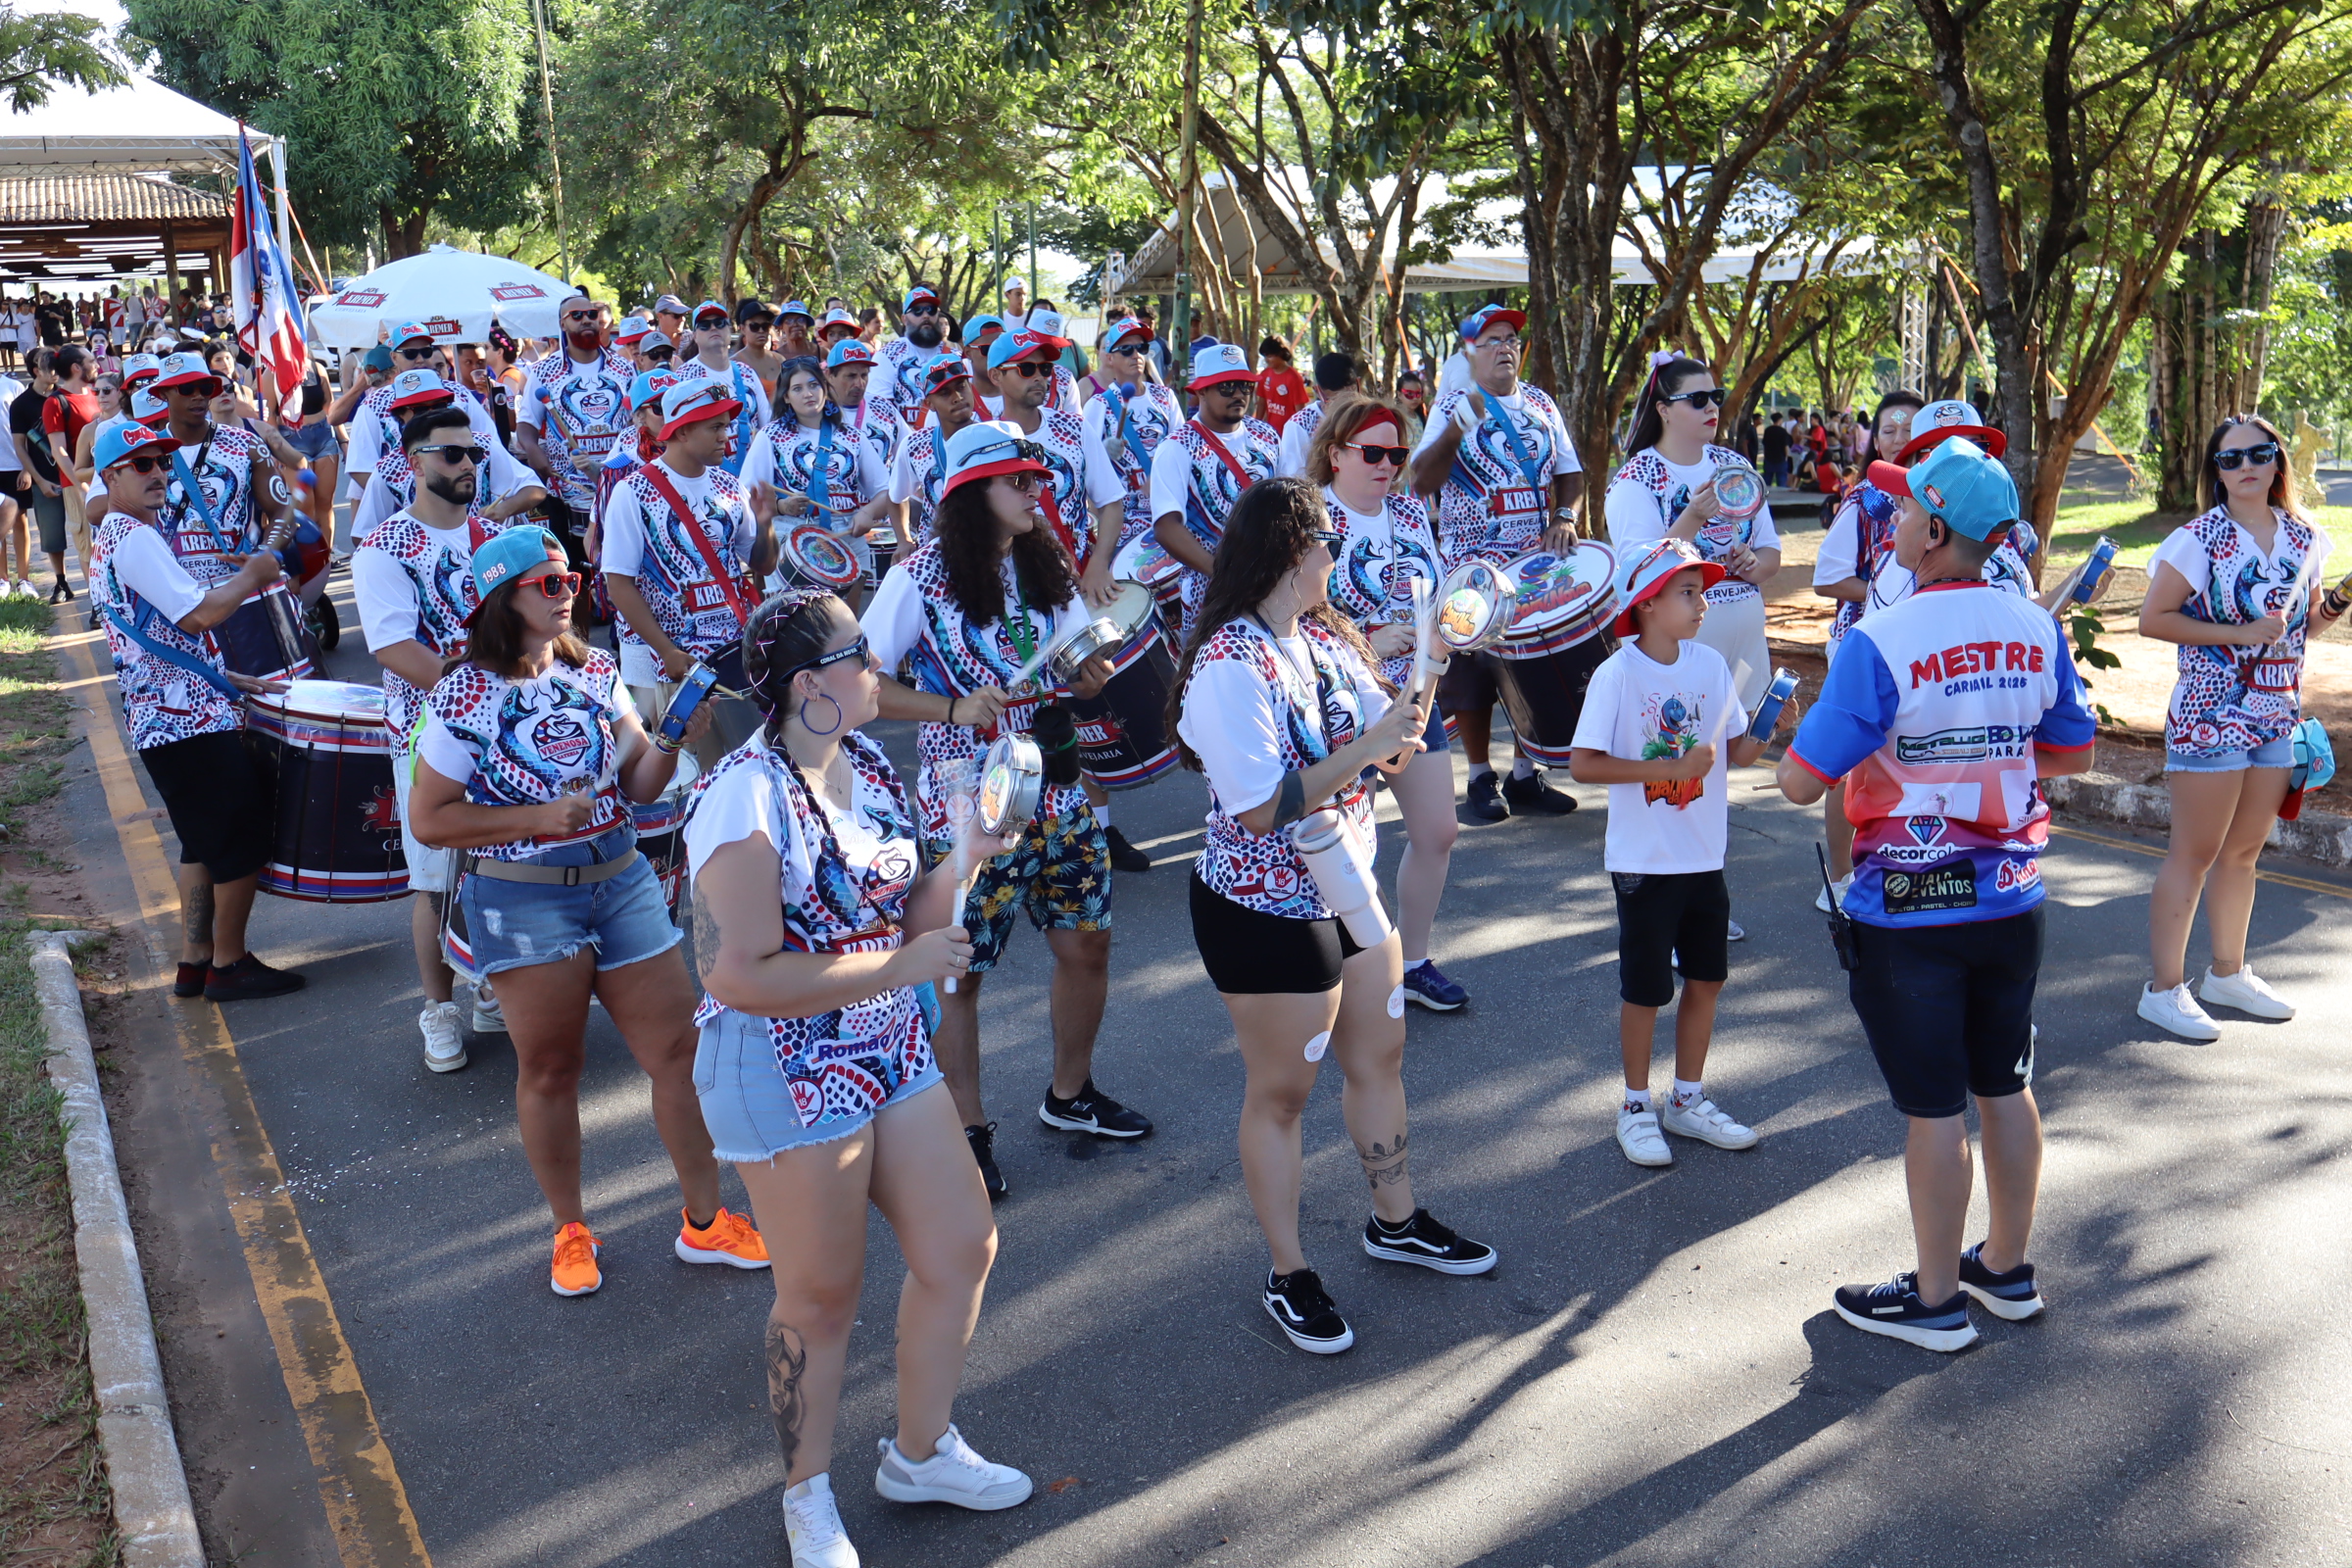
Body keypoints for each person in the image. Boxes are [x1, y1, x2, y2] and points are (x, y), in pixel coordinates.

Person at [687, 588, 1034, 1566]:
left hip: (881, 1043)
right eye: (863, 656)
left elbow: (915, 909)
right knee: (821, 1296)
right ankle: (806, 1497)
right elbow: (735, 973)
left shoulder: (868, 763)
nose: (880, 670)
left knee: (963, 1244)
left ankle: (920, 1452)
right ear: (810, 685)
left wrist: (970, 848)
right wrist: (898, 967)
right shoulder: (744, 796)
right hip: (784, 1062)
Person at [1774, 436, 2094, 1351]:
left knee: (1933, 1110)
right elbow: (2071, 752)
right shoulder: (2035, 625)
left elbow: (1801, 785)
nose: (1895, 520)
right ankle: (2007, 1270)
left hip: (1910, 911)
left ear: (1935, 531)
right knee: (2006, 1084)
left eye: (1906, 508)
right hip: (2011, 898)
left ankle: (1938, 1300)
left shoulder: (1881, 638)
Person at [1171, 475, 1494, 1355]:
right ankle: (1289, 1272)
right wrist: (1370, 745)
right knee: (1282, 1094)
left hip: (1347, 882)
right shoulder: (1228, 665)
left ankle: (1395, 1220)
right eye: (1328, 544)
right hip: (1265, 905)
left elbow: (1387, 740)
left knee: (1379, 1055)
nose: (1337, 558)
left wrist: (1413, 700)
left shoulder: (1320, 638)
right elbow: (1259, 809)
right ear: (1289, 551)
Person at [408, 527, 768, 1296]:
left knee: (678, 1053)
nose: (568, 590)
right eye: (547, 583)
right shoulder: (462, 695)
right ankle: (570, 1230)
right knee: (550, 1067)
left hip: (621, 881)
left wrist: (673, 738)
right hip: (523, 900)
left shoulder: (595, 669)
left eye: (569, 578)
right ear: (500, 600)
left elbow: (639, 785)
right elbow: (431, 820)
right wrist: (532, 821)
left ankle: (705, 1222)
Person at [865, 421, 1151, 1201]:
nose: (1037, 492)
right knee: (960, 976)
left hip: (1057, 785)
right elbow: (858, 684)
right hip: (967, 797)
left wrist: (1087, 675)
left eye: (1037, 480)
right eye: (1020, 482)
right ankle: (966, 1132)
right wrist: (951, 706)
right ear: (970, 493)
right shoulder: (916, 578)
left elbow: (1071, 662)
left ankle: (1070, 1096)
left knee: (1087, 945)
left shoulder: (1043, 560)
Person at [1570, 538, 1792, 1166]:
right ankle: (1635, 1105)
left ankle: (1687, 1099)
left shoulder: (1710, 665)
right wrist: (1667, 764)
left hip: (1704, 856)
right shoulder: (1618, 674)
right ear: (1646, 604)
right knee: (1644, 989)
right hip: (1645, 861)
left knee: (1708, 979)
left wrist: (1770, 725)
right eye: (1687, 592)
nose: (1702, 604)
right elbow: (1584, 766)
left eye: (1702, 591)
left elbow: (1737, 754)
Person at [2134, 414, 2344, 1041]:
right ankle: (2164, 990)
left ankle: (2227, 974)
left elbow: (2306, 625)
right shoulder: (2197, 539)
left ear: (2278, 461)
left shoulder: (2306, 538)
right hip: (2210, 713)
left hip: (2276, 712)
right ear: (2216, 471)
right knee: (2194, 854)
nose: (2247, 465)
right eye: (2231, 459)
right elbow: (2154, 619)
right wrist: (2240, 633)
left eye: (2259, 453)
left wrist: (2338, 602)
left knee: (2245, 852)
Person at [86, 423, 307, 1002]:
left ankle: (195, 962)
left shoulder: (124, 534)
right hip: (181, 721)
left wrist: (220, 675)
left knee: (201, 842)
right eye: (141, 465)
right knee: (240, 840)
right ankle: (230, 966)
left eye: (161, 461)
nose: (158, 472)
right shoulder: (133, 538)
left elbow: (153, 634)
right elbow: (201, 616)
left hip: (175, 711)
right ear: (109, 477)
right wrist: (254, 574)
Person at [352, 404, 517, 1068]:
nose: (467, 465)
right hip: (428, 736)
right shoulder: (385, 547)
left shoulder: (495, 539)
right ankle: (437, 1009)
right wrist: (477, 697)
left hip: (509, 732)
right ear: (412, 463)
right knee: (437, 880)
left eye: (474, 454)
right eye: (451, 454)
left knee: (504, 865)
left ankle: (489, 987)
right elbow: (396, 649)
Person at [1309, 394, 1466, 1009]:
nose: (1386, 465)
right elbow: (1284, 617)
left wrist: (1454, 629)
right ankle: (1354, 965)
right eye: (1371, 452)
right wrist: (1366, 640)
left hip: (1415, 694)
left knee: (1439, 830)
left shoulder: (1408, 512)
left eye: (1396, 454)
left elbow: (1438, 594)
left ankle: (1414, 959)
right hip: (1336, 706)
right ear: (1335, 454)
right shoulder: (1310, 517)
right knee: (1345, 842)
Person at [1408, 303, 1586, 821]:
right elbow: (1421, 481)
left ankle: (1527, 774)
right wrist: (1457, 429)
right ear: (1471, 352)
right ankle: (1480, 777)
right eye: (1492, 339)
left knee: (1532, 663)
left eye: (1511, 338)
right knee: (1474, 672)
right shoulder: (1450, 406)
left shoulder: (1542, 405)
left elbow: (1570, 472)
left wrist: (1564, 514)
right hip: (1472, 564)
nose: (1505, 346)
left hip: (1535, 561)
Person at [601, 378, 781, 766]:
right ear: (682, 430)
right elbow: (619, 584)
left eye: (727, 424)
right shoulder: (633, 492)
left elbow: (763, 564)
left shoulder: (729, 485)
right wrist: (667, 651)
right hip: (677, 666)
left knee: (749, 764)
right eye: (715, 426)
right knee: (699, 770)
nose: (727, 436)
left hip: (734, 655)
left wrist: (765, 522)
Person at [1602, 352, 1782, 711]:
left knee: (1735, 751)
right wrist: (1694, 515)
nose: (1711, 408)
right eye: (1698, 400)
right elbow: (1642, 574)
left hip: (1746, 642)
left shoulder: (1735, 467)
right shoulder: (1636, 480)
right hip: (1677, 652)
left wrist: (1751, 564)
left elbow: (1769, 552)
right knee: (1678, 751)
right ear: (1663, 410)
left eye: (1716, 397)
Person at [1151, 342, 1281, 636]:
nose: (1238, 394)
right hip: (1211, 596)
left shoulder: (1267, 436)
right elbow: (1166, 527)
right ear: (1201, 391)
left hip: (1274, 587)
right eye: (1226, 387)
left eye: (1245, 386)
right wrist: (1226, 576)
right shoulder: (1177, 447)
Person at [743, 354, 896, 596]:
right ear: (786, 397)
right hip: (791, 541)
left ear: (825, 388)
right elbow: (747, 494)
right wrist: (782, 506)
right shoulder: (770, 436)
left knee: (851, 629)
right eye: (798, 388)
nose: (808, 394)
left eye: (814, 385)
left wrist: (868, 512)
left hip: (848, 539)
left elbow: (886, 491)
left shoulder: (852, 436)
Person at [351, 370, 544, 542]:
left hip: (491, 564)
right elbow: (363, 535)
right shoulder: (389, 470)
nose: (432, 414)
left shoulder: (481, 446)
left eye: (439, 405)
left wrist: (503, 509)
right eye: (419, 409)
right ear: (401, 415)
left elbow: (534, 489)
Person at [517, 296, 634, 571]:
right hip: (567, 492)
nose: (587, 320)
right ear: (563, 323)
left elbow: (639, 423)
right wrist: (534, 453)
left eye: (591, 314)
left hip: (617, 489)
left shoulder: (625, 368)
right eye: (577, 315)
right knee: (575, 576)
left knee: (622, 568)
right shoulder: (544, 371)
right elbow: (526, 425)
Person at [1079, 317, 1183, 571]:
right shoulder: (1099, 405)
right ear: (1109, 358)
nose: (1135, 354)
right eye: (1126, 349)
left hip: (1168, 519)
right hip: (1123, 528)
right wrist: (1102, 452)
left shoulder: (1165, 397)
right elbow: (1083, 466)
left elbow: (1184, 450)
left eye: (1141, 348)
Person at [890, 355, 979, 547]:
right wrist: (904, 540)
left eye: (961, 387)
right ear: (929, 403)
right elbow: (896, 498)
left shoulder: (995, 438)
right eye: (945, 393)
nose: (957, 397)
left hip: (987, 552)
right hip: (934, 557)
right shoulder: (914, 446)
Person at [679, 299, 770, 476]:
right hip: (708, 475)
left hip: (752, 472)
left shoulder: (746, 373)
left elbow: (767, 424)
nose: (713, 328)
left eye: (720, 323)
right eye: (704, 325)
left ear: (730, 330)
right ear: (695, 336)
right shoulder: (684, 377)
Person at [10, 350, 69, 599]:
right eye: (50, 367)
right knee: (52, 534)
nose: (56, 372)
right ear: (36, 371)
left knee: (86, 530)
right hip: (46, 478)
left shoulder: (65, 397)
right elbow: (20, 447)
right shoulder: (21, 404)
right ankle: (61, 581)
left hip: (74, 476)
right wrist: (39, 479)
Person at [871, 284, 950, 424]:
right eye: (917, 311)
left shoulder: (954, 357)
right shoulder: (886, 357)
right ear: (904, 319)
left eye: (931, 310)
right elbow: (880, 411)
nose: (925, 315)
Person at [1274, 352, 1357, 479]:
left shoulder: (1370, 419)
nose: (1342, 408)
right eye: (1333, 401)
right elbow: (1293, 478)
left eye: (1349, 400)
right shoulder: (1300, 426)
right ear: (1317, 391)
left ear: (1358, 385)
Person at [734, 298, 783, 405]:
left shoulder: (779, 360)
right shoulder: (734, 364)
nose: (761, 331)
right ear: (742, 329)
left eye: (765, 326)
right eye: (754, 326)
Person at [1256, 336, 1309, 433]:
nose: (1267, 360)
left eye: (1270, 356)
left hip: (1289, 433)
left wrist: (1301, 433)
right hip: (1271, 432)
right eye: (1265, 356)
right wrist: (1256, 426)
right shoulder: (1265, 374)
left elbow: (1300, 411)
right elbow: (1261, 404)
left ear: (1280, 353)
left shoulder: (1293, 378)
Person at [774, 299, 818, 363]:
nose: (795, 324)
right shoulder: (775, 357)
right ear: (781, 326)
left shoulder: (822, 353)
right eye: (789, 321)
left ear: (807, 324)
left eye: (800, 320)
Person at [1394, 369, 1428, 445]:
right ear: (1399, 395)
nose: (1415, 398)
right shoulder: (1396, 417)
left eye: (1418, 394)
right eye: (1409, 394)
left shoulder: (1421, 418)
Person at [1761, 411, 1792, 487]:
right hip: (1780, 458)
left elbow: (1765, 444)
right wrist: (1786, 456)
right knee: (1781, 479)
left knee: (1767, 479)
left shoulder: (1767, 430)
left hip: (1769, 458)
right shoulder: (1783, 431)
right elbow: (1785, 445)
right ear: (1780, 420)